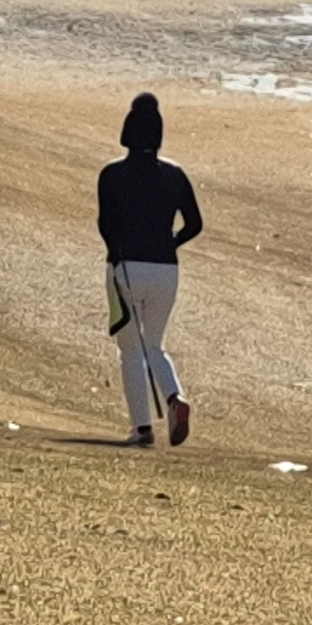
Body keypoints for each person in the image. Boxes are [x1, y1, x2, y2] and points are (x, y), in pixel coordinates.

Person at [99, 92, 204, 446]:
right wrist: (169, 242)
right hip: (166, 270)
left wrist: (117, 250)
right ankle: (174, 397)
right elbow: (194, 224)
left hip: (126, 265)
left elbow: (106, 224)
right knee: (154, 345)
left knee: (130, 348)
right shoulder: (174, 175)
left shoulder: (112, 175)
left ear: (127, 133)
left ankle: (142, 428)